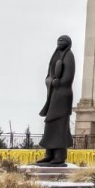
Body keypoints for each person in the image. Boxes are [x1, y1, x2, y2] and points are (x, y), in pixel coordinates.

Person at [37, 34, 75, 166]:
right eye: (58, 40)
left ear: (68, 43)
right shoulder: (55, 57)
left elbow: (68, 78)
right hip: (53, 94)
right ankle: (49, 154)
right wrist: (51, 82)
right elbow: (49, 76)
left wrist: (60, 82)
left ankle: (59, 155)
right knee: (50, 123)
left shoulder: (69, 56)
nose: (59, 42)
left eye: (62, 40)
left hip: (63, 95)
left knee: (60, 124)